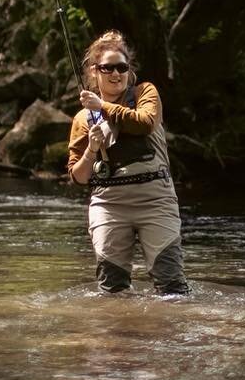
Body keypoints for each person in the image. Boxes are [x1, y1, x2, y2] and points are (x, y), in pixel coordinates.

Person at [66, 30, 189, 295]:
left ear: (129, 70)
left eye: (121, 67)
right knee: (112, 290)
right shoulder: (82, 119)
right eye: (107, 68)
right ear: (94, 72)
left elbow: (144, 123)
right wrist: (92, 149)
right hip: (109, 205)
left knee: (172, 288)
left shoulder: (146, 92)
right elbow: (78, 177)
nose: (115, 73)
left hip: (156, 202)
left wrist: (102, 107)